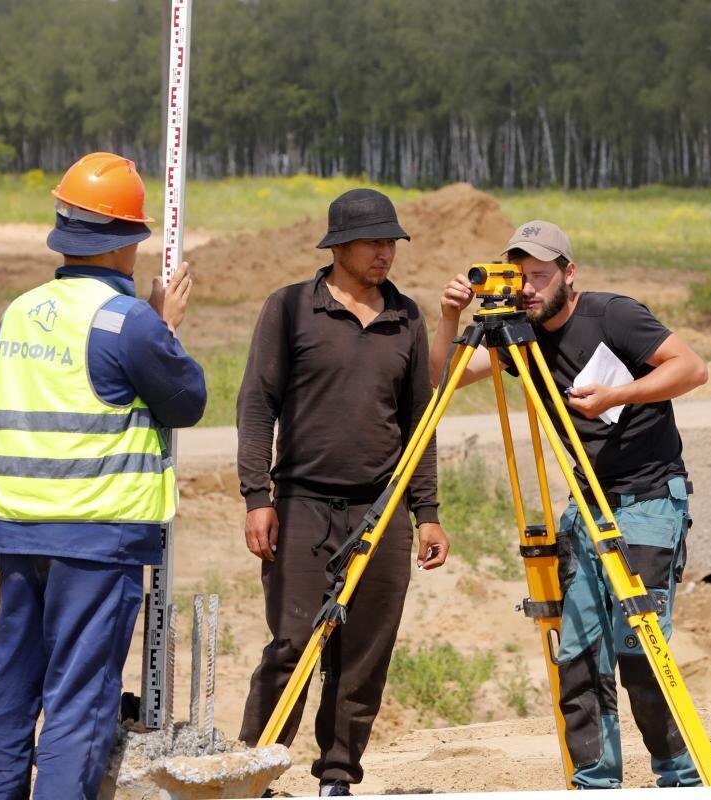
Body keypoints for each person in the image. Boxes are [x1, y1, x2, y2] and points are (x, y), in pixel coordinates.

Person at [0, 151, 206, 799]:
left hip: (15, 528)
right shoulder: (126, 323)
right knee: (80, 695)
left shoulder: (19, 311)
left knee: (11, 683)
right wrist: (165, 326)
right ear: (129, 242)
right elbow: (186, 401)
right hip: (94, 534)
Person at [431, 220, 708, 789]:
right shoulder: (519, 337)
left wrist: (618, 394)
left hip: (649, 498)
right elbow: (440, 379)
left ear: (568, 273)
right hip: (588, 505)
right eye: (519, 278)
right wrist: (449, 319)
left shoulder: (613, 315)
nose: (528, 289)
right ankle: (595, 780)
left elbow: (692, 367)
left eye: (539, 276)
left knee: (640, 650)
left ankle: (680, 777)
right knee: (578, 652)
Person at [237, 188, 450, 798]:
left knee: (362, 656)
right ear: (339, 247)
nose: (386, 252)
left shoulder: (406, 316)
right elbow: (256, 405)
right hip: (300, 503)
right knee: (292, 644)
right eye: (374, 242)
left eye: (392, 242)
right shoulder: (288, 309)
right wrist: (258, 497)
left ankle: (337, 777)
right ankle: (255, 773)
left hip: (380, 513)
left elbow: (419, 423)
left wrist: (426, 513)